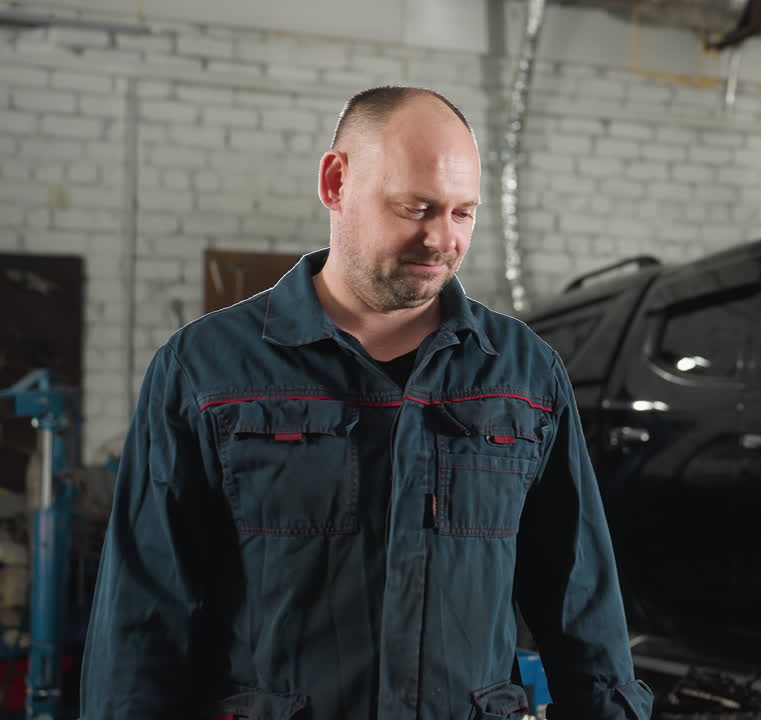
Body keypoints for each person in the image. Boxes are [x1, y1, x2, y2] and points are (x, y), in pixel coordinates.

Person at [80, 86, 653, 720]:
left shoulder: (523, 375)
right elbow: (144, 614)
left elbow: (579, 599)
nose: (442, 239)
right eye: (416, 207)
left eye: (463, 213)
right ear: (335, 181)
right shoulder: (207, 369)